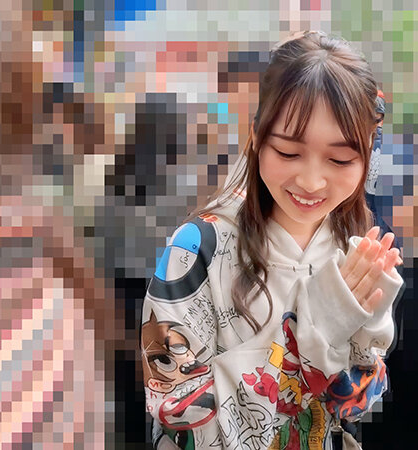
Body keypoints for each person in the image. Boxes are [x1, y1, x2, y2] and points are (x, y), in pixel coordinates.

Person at [140, 31, 404, 450]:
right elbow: (176, 409)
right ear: (257, 137)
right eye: (288, 153)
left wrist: (367, 329)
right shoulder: (197, 248)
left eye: (339, 159)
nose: (311, 181)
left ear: (368, 154)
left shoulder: (348, 247)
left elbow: (356, 406)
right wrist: (313, 334)